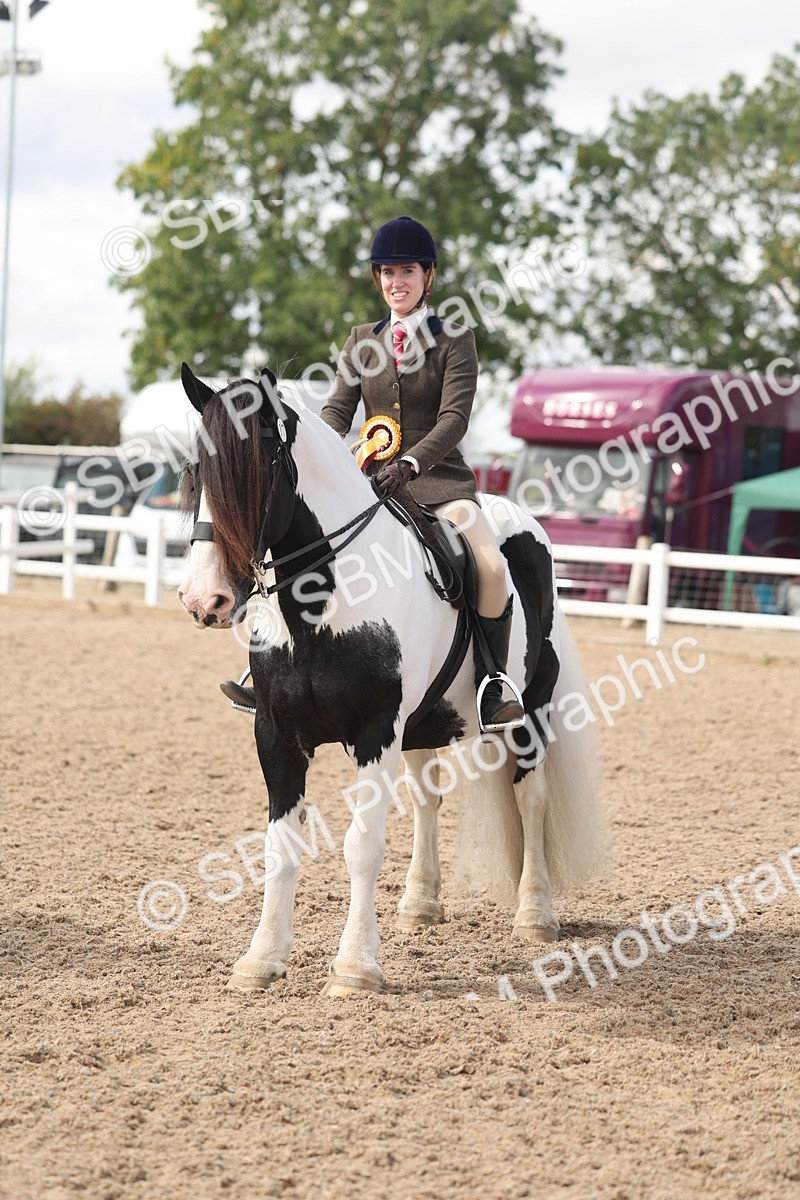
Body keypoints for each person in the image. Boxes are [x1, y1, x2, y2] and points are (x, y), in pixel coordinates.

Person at [221, 215, 524, 730]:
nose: (395, 282)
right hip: (370, 487)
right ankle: (268, 672)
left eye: (406, 271)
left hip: (438, 487)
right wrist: (308, 445)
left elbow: (454, 419)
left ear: (428, 276)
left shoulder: (456, 339)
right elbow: (339, 411)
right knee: (297, 551)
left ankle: (494, 680)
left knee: (490, 568)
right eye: (386, 272)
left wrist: (410, 462)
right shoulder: (362, 338)